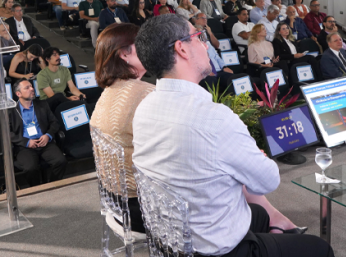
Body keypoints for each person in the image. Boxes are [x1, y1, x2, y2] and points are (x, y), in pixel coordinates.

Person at [131, 14, 333, 257]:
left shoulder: (145, 107)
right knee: (321, 249)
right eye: (198, 36)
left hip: (173, 238)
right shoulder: (214, 118)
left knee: (259, 214)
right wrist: (255, 156)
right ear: (181, 48)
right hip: (218, 249)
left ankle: (278, 232)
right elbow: (268, 180)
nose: (205, 44)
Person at [89, 23, 153, 233]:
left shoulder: (108, 92)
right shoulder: (146, 95)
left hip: (117, 203)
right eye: (142, 44)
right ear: (124, 54)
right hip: (143, 210)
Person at [9, 79, 67, 188]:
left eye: (31, 86)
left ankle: (52, 186)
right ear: (18, 94)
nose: (32, 89)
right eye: (27, 87)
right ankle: (37, 189)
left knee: (60, 161)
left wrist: (48, 135)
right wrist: (26, 142)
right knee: (30, 168)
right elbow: (8, 133)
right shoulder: (11, 111)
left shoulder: (42, 104)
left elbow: (54, 122)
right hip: (25, 145)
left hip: (44, 141)